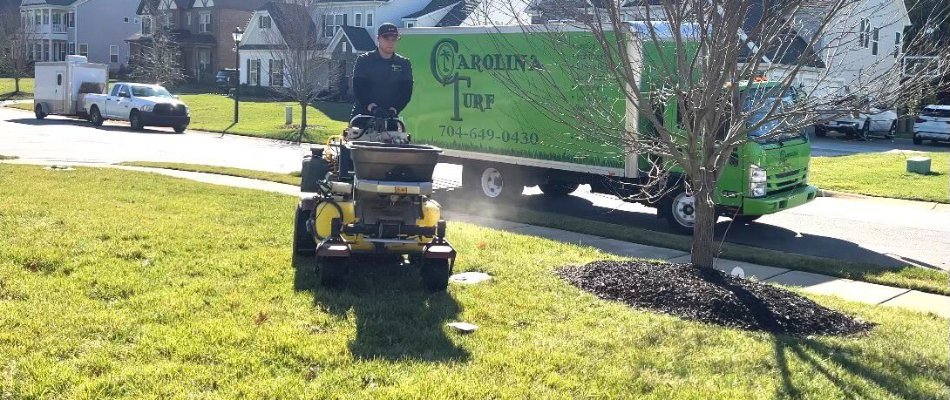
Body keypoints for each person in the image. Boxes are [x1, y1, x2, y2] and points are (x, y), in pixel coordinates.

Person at [351, 23, 414, 120]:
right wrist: (373, 108)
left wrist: (394, 109)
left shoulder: (404, 63)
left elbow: (406, 93)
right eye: (386, 39)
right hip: (363, 116)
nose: (390, 42)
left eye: (394, 39)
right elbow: (359, 89)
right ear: (378, 39)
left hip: (390, 117)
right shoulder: (364, 60)